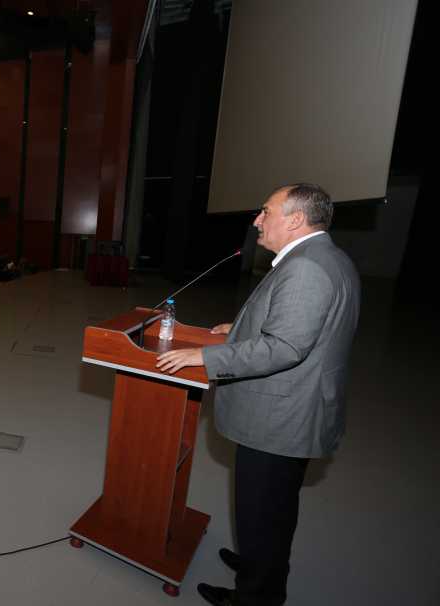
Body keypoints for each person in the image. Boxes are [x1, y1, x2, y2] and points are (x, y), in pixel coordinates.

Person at [155, 184, 360, 606]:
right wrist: (240, 329)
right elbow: (303, 327)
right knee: (274, 508)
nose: (256, 221)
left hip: (281, 417)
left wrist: (206, 356)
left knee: (263, 511)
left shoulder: (306, 269)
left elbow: (286, 347)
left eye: (265, 212)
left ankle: (256, 596)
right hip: (299, 408)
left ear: (295, 219)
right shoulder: (325, 257)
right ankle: (258, 564)